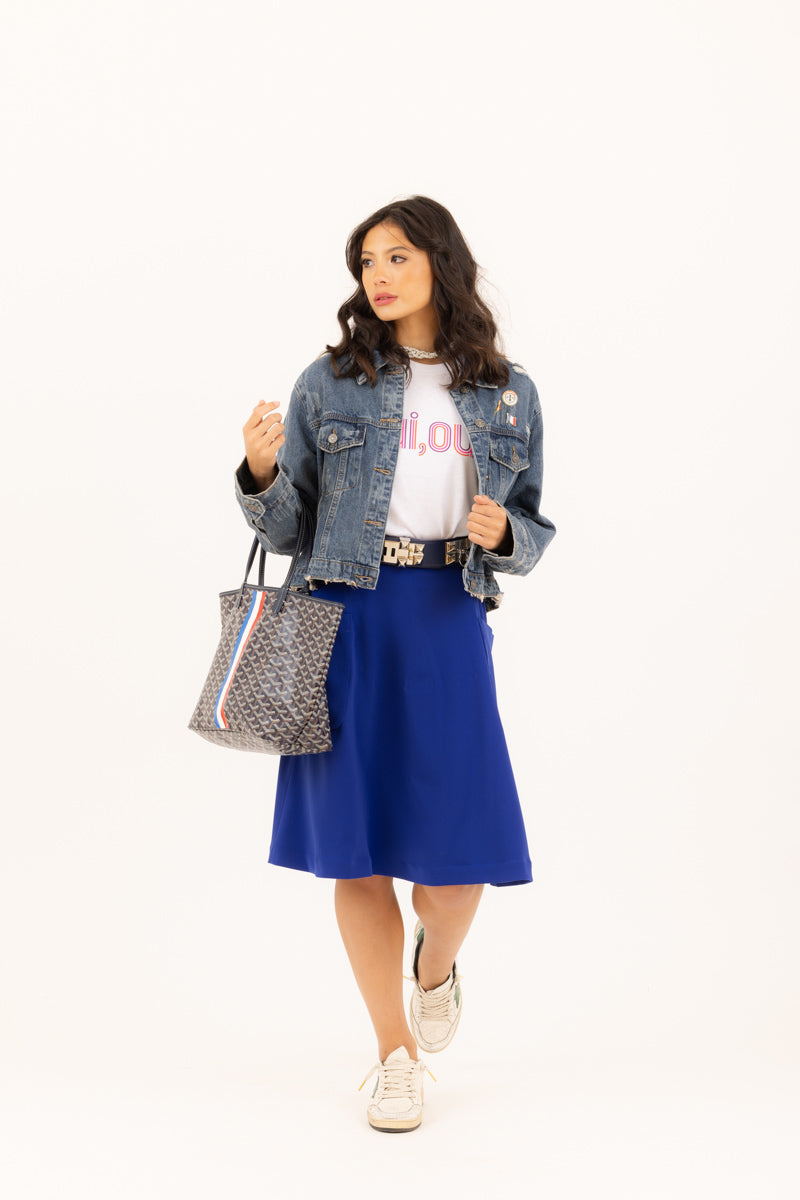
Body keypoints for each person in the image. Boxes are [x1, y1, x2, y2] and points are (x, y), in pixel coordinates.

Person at [234, 195, 555, 1132]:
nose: (377, 275)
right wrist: (260, 475)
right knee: (358, 850)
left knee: (458, 864)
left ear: (440, 263)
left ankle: (435, 966)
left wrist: (502, 535)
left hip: (447, 617)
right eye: (367, 261)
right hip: (346, 616)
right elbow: (289, 527)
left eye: (397, 257)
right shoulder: (328, 383)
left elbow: (534, 524)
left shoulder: (508, 392)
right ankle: (394, 1055)